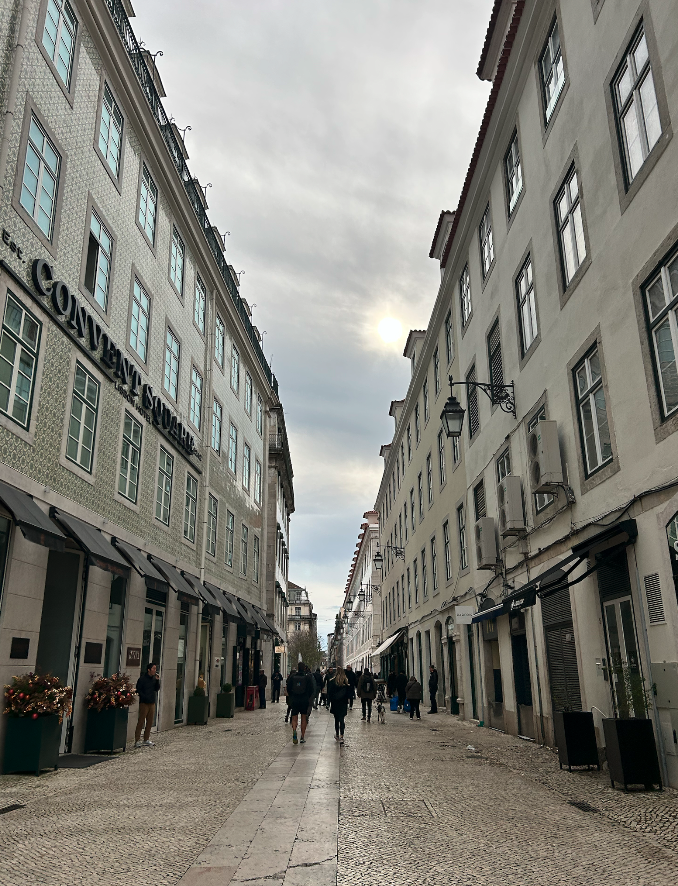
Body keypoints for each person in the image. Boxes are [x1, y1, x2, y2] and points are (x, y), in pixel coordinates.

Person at [286, 661, 316, 744]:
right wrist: (307, 697)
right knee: (303, 718)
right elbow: (311, 690)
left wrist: (292, 696)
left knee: (294, 717)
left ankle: (294, 730)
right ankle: (302, 736)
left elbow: (288, 688)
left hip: (295, 700)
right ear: (305, 668)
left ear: (297, 668)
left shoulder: (292, 677)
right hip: (304, 700)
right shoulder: (307, 677)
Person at [135, 662, 160, 747]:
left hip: (152, 702)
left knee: (150, 722)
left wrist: (157, 681)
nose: (154, 670)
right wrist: (144, 697)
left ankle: (146, 739)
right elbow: (138, 689)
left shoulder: (153, 679)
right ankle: (137, 740)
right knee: (141, 721)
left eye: (155, 669)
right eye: (153, 669)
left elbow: (156, 689)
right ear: (149, 670)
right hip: (144, 703)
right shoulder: (142, 679)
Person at [327, 666, 350, 744]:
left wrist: (329, 702)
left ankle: (337, 734)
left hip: (335, 702)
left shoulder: (332, 681)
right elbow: (348, 694)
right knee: (342, 719)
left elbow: (329, 693)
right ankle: (342, 735)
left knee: (336, 719)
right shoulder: (346, 681)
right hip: (343, 702)